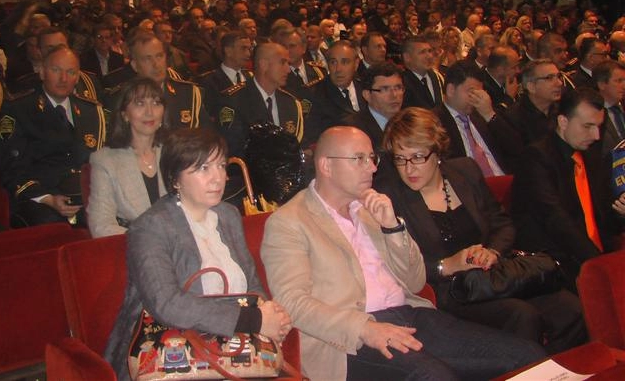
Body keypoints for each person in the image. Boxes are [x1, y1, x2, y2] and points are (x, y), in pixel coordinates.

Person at [261, 126, 545, 381]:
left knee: (528, 356)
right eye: (359, 159)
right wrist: (365, 328)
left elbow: (415, 280)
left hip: (412, 315)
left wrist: (392, 227)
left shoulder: (372, 208)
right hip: (349, 338)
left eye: (372, 158)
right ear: (326, 165)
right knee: (434, 376)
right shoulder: (290, 221)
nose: (372, 168)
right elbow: (292, 302)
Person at [376, 107, 586, 354]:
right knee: (521, 315)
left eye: (418, 157)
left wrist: (492, 251)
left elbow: (502, 223)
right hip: (451, 291)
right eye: (400, 159)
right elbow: (395, 266)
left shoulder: (465, 171)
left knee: (571, 309)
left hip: (494, 277)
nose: (409, 169)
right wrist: (447, 265)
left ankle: (557, 367)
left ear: (437, 151)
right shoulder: (391, 197)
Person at [105, 127, 292, 380]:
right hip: (171, 355)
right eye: (204, 168)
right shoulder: (150, 227)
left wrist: (271, 314)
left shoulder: (228, 216)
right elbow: (168, 304)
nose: (218, 178)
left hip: (234, 351)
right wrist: (252, 320)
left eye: (221, 166)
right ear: (175, 179)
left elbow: (251, 284)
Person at [512, 88, 623, 287]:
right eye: (588, 126)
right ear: (563, 122)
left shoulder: (589, 154)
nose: (596, 135)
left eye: (599, 127)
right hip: (557, 260)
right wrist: (599, 263)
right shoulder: (536, 158)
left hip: (595, 254)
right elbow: (555, 220)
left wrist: (620, 213)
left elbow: (602, 218)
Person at [0, 45, 105, 226]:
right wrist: (48, 199)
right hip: (40, 199)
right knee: (54, 223)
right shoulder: (18, 109)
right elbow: (12, 170)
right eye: (56, 70)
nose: (63, 78)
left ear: (78, 77)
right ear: (42, 72)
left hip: (87, 195)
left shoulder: (91, 111)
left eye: (70, 72)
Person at [87, 78, 168, 238]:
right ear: (125, 114)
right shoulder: (105, 160)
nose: (149, 112)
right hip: (132, 243)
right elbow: (100, 225)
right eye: (140, 104)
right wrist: (150, 239)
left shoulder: (174, 152)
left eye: (156, 103)